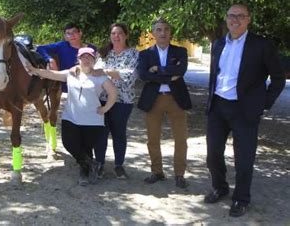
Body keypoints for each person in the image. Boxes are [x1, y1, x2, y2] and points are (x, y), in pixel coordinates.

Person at [204, 4, 285, 217]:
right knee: (212, 155)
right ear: (226, 18)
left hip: (245, 110)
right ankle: (220, 187)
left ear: (249, 19)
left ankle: (241, 198)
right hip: (218, 107)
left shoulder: (261, 45)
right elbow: (216, 74)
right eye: (232, 15)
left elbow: (278, 78)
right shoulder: (219, 44)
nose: (235, 20)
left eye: (241, 16)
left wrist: (263, 102)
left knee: (244, 158)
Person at [28, 47, 117, 186]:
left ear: (94, 60)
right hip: (71, 117)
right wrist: (35, 70)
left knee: (87, 148)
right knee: (68, 143)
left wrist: (105, 108)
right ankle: (92, 164)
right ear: (78, 59)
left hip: (92, 119)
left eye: (89, 57)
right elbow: (51, 74)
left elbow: (113, 93)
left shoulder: (101, 77)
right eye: (83, 57)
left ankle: (85, 172)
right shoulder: (71, 74)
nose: (86, 60)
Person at [137, 18, 192, 189]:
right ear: (153, 33)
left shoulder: (180, 51)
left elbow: (180, 71)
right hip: (153, 100)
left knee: (181, 139)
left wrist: (156, 70)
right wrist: (169, 73)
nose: (163, 32)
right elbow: (143, 75)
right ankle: (157, 171)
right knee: (153, 139)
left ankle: (179, 174)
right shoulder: (145, 54)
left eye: (166, 29)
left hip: (176, 99)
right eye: (159, 29)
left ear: (170, 32)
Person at [36, 23, 97, 155]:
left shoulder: (91, 49)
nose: (72, 36)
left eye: (74, 32)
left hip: (88, 89)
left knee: (87, 122)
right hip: (67, 88)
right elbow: (40, 48)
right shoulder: (62, 46)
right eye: (68, 33)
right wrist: (50, 59)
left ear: (80, 33)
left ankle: (87, 152)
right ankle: (61, 145)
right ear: (65, 36)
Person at [93, 23, 139, 179]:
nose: (116, 36)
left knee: (119, 133)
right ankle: (99, 163)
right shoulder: (104, 54)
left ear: (126, 35)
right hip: (102, 100)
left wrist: (105, 72)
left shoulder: (133, 54)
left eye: (119, 33)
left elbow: (129, 76)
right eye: (113, 33)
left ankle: (119, 165)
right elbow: (94, 74)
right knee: (100, 134)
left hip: (123, 101)